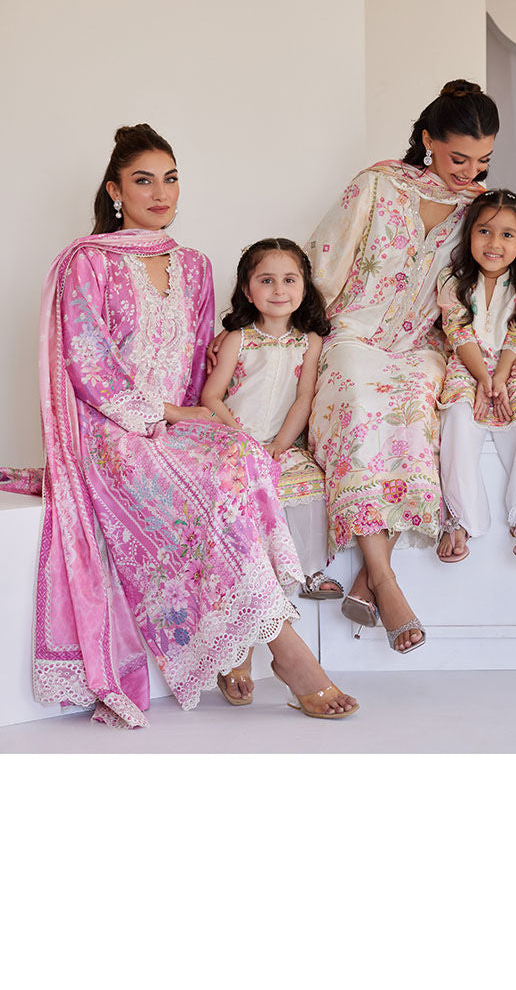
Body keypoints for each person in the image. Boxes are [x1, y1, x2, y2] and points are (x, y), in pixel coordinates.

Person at [33, 125, 357, 726]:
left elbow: (192, 366)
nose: (160, 193)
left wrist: (195, 416)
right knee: (205, 490)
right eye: (143, 181)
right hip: (110, 431)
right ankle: (289, 654)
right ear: (115, 191)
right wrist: (174, 416)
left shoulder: (194, 265)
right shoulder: (88, 262)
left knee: (245, 458)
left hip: (178, 423)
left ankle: (240, 645)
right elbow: (87, 364)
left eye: (171, 179)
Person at [304, 80, 516, 652]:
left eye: (483, 160)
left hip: (424, 346)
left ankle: (371, 576)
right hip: (354, 334)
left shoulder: (481, 211)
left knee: (417, 413)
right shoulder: (377, 185)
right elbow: (321, 262)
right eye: (459, 158)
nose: (470, 172)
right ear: (427, 140)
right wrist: (285, 335)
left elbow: (508, 286)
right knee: (359, 403)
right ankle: (384, 581)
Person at [200, 237, 342, 701]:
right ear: (247, 289)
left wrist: (281, 444)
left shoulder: (311, 342)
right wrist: (241, 440)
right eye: (266, 280)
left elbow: (303, 399)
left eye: (289, 280)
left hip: (278, 445)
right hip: (234, 442)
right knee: (238, 506)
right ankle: (239, 648)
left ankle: (304, 572)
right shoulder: (239, 339)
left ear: (304, 287)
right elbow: (212, 396)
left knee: (308, 486)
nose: (279, 290)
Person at [436, 189, 516, 563]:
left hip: (513, 368)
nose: (494, 243)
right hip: (467, 365)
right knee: (457, 416)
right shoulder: (452, 280)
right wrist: (482, 378)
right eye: (484, 232)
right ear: (469, 234)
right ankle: (460, 516)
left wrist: (501, 377)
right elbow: (458, 332)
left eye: (507, 234)